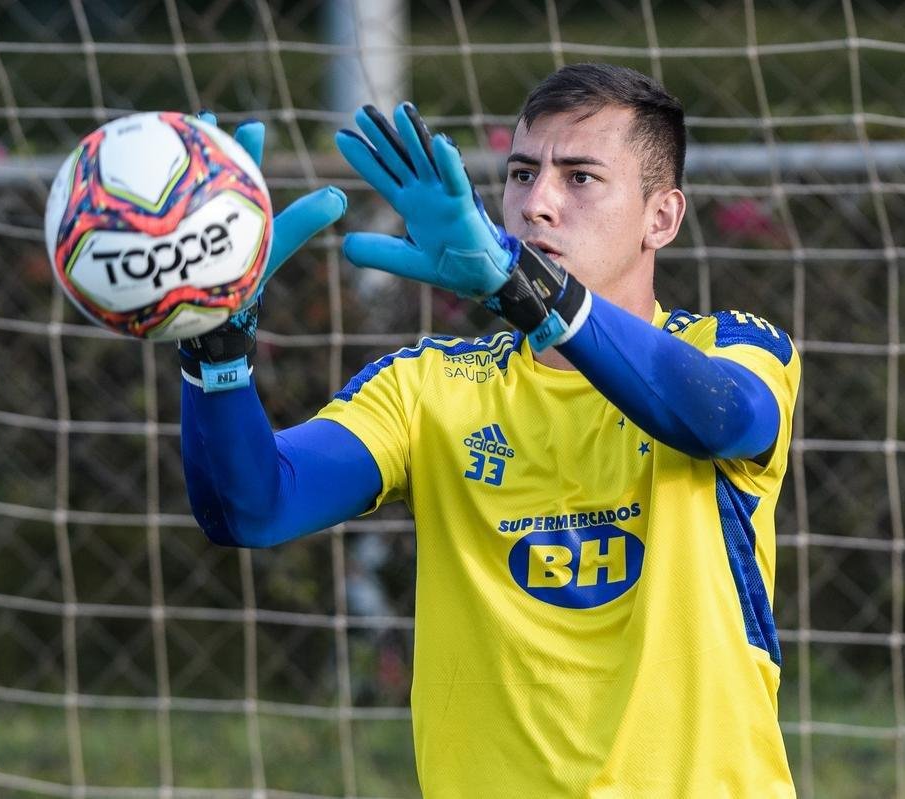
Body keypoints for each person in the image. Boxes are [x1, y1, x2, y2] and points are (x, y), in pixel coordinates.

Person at [180, 63, 800, 797]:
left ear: (660, 218)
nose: (537, 204)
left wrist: (524, 288)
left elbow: (718, 418)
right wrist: (216, 349)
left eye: (580, 178)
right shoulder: (427, 386)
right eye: (521, 174)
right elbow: (252, 508)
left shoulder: (733, 348)